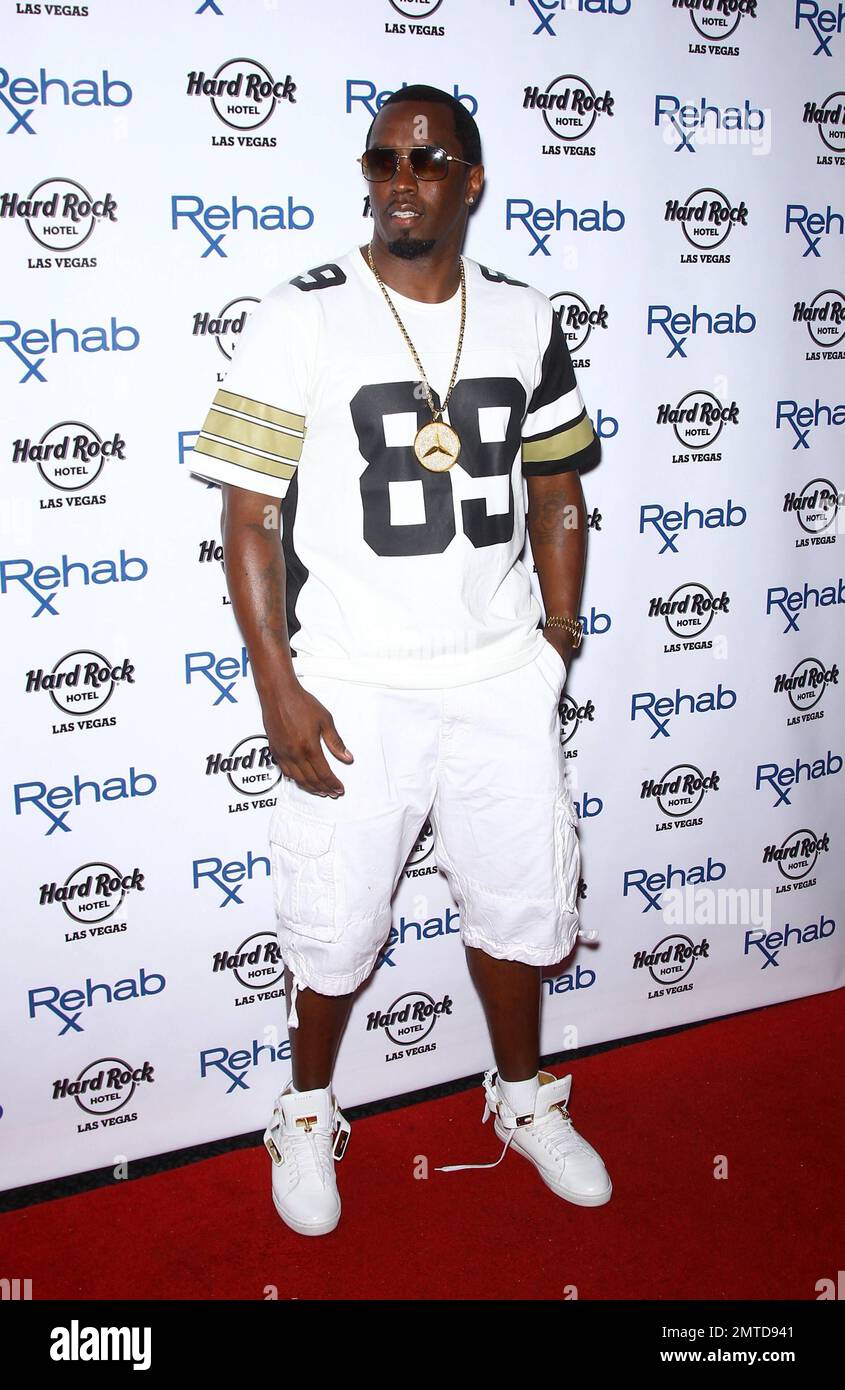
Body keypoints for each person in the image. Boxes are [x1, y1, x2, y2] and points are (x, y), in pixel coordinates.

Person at [191, 84, 611, 1237]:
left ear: (469, 179)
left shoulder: (524, 317)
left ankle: (521, 1100)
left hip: (493, 677)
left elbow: (559, 488)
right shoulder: (300, 314)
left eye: (425, 160)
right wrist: (278, 683)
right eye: (380, 161)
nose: (399, 180)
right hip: (355, 680)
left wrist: (555, 644)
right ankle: (307, 1109)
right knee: (334, 928)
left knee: (522, 911)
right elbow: (247, 514)